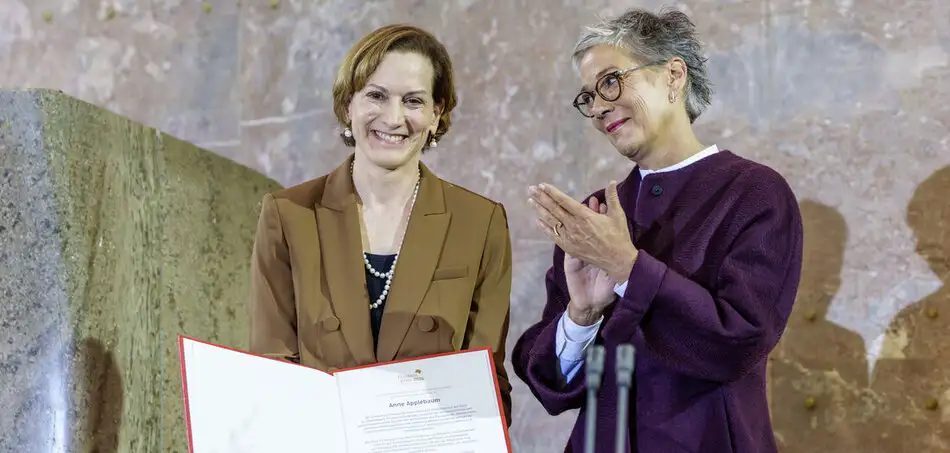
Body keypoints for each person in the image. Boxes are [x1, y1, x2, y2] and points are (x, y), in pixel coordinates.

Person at [512, 7, 804, 452]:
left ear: (673, 75)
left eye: (611, 80)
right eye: (587, 96)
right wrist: (581, 316)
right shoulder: (595, 215)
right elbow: (547, 380)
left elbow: (739, 341)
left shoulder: (754, 193)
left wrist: (626, 267)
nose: (598, 107)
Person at [247, 24, 513, 424]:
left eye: (413, 101)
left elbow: (487, 381)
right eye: (376, 95)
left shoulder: (481, 222)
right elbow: (272, 368)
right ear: (348, 104)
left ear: (436, 114)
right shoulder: (288, 214)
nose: (393, 118)